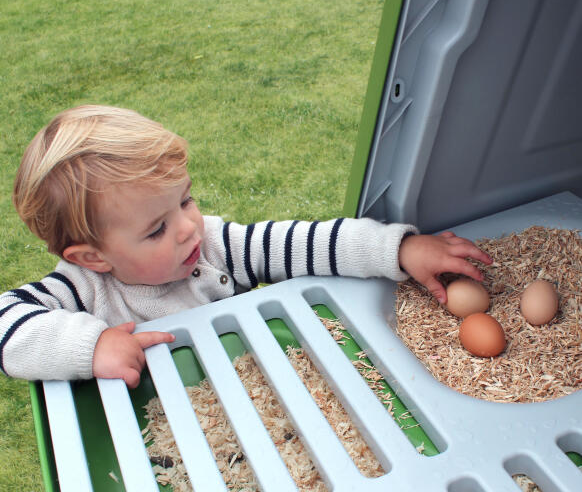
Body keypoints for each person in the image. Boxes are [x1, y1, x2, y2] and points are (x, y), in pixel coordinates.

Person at [0, 105, 492, 386]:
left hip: (255, 396)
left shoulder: (214, 248)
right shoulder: (84, 288)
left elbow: (305, 242)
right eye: (156, 230)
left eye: (186, 201)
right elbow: (7, 323)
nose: (189, 228)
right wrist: (94, 345)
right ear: (93, 256)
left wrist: (398, 251)